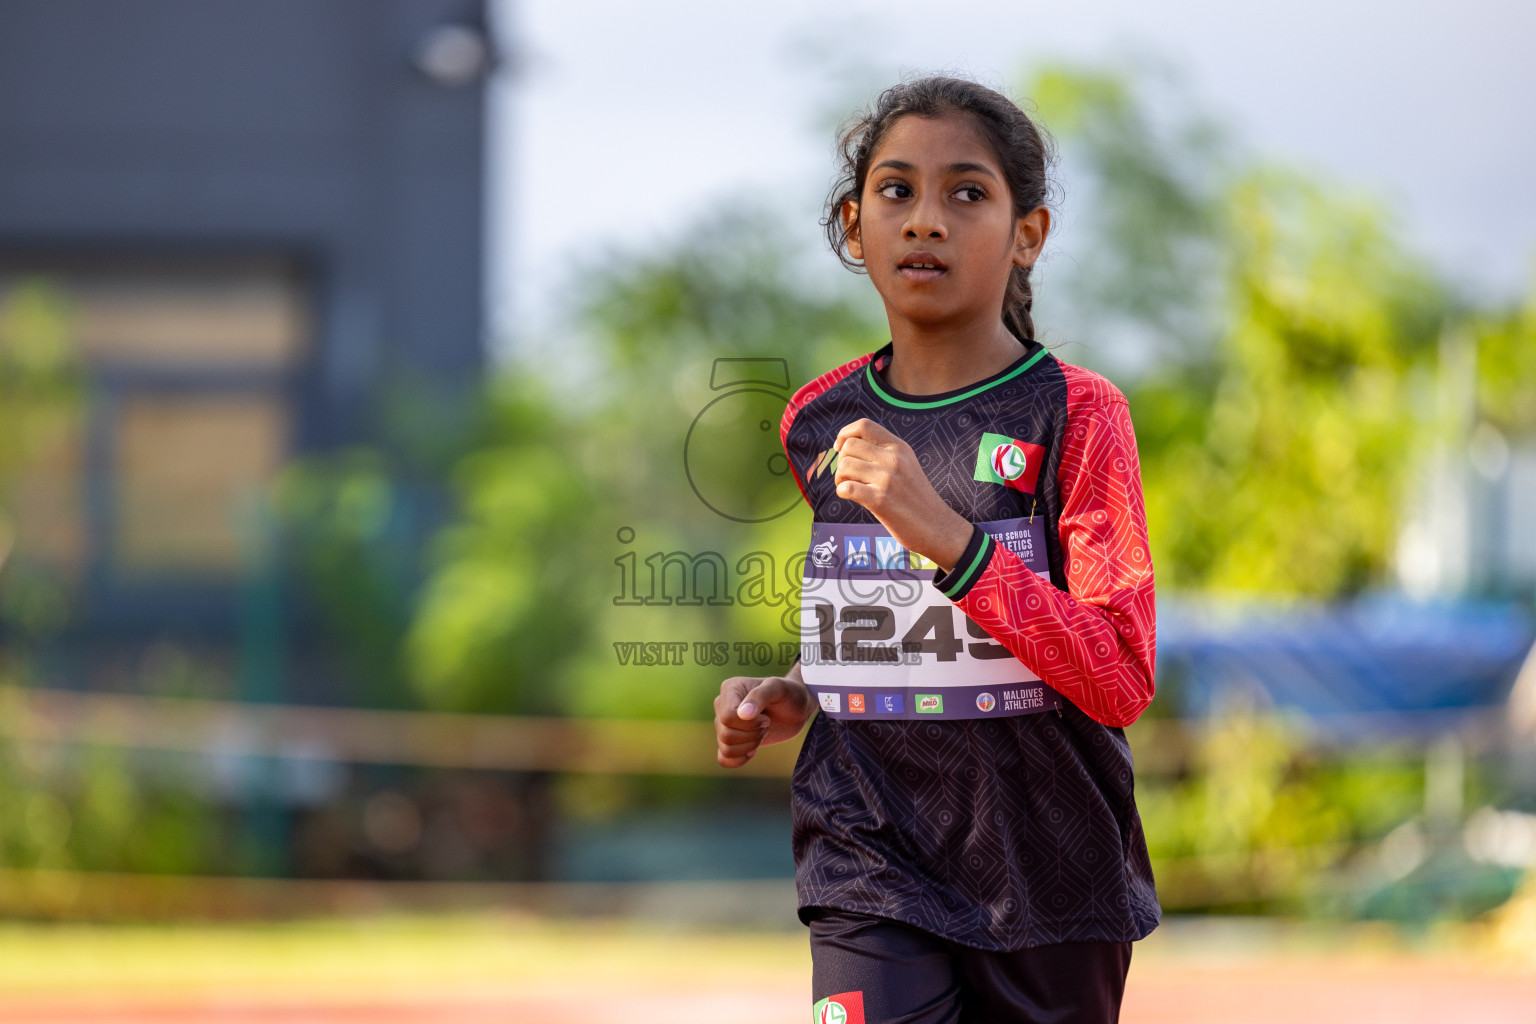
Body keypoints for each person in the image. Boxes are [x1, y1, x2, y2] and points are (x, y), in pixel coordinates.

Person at [713, 76, 1159, 1023]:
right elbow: (890, 621)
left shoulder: (1080, 414)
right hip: (866, 855)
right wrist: (807, 684)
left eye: (967, 193)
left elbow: (1118, 676)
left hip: (1049, 877)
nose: (925, 220)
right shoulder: (818, 420)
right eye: (895, 191)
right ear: (853, 224)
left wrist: (945, 536)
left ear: (1027, 234)